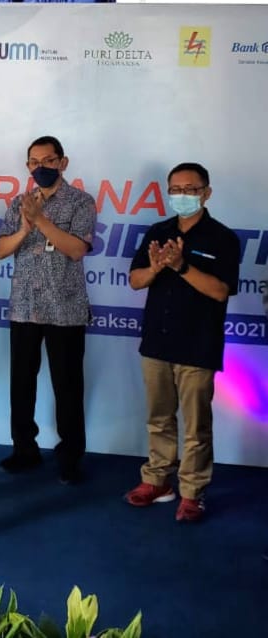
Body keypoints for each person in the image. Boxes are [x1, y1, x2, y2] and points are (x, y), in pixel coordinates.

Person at [124, 163, 240, 522]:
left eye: (190, 189)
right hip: (156, 341)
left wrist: (181, 267)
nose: (182, 195)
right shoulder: (158, 232)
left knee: (196, 426)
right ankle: (157, 480)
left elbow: (220, 291)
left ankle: (192, 492)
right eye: (175, 189)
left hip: (197, 344)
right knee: (158, 419)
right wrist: (157, 267)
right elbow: (135, 280)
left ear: (206, 193)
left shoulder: (222, 238)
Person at [0, 135, 95, 485]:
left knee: (68, 386)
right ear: (28, 167)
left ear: (63, 163)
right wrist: (25, 226)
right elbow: (1, 250)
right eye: (34, 163)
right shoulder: (18, 203)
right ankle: (24, 449)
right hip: (24, 307)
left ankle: (70, 457)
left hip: (65, 308)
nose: (41, 168)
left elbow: (77, 250)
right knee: (21, 384)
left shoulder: (81, 202)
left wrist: (40, 220)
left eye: (49, 161)